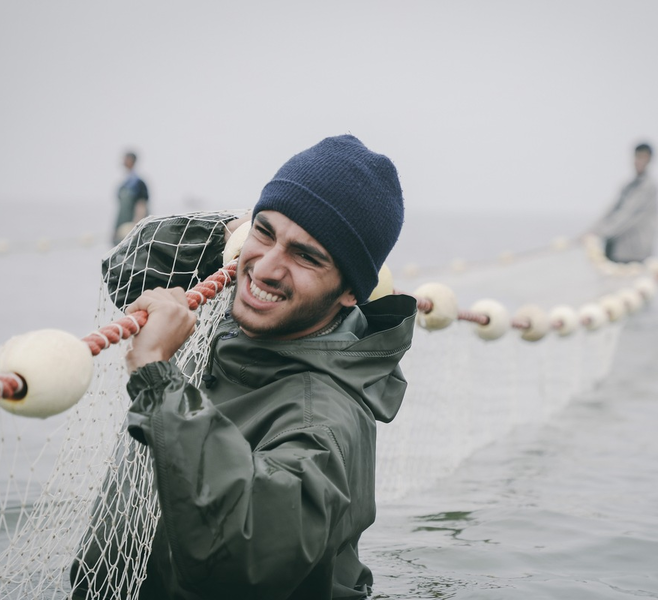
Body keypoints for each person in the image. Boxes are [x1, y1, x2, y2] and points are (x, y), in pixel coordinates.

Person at [72, 135, 416, 599]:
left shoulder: (325, 417)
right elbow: (125, 270)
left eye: (306, 255)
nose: (266, 269)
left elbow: (243, 561)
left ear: (351, 291)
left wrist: (157, 375)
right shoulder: (248, 319)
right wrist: (231, 234)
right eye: (266, 231)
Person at [586, 143, 658, 263]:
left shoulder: (649, 187)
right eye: (637, 157)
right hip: (617, 248)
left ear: (649, 160)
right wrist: (589, 232)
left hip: (634, 253)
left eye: (643, 158)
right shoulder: (628, 186)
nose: (639, 161)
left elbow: (626, 216)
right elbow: (610, 211)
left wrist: (597, 233)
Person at [113, 151, 149, 244]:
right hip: (121, 227)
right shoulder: (124, 183)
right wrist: (116, 230)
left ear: (131, 161)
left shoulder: (138, 183)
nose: (123, 161)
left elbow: (142, 205)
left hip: (131, 229)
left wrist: (136, 226)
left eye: (126, 159)